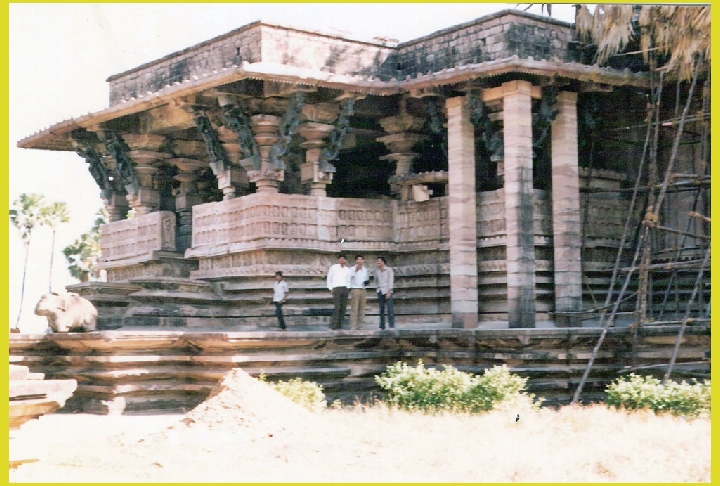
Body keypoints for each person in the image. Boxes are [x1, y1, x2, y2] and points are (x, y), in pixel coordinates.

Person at [327, 254, 351, 330]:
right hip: (336, 288)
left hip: (345, 288)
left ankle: (340, 325)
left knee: (343, 308)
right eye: (340, 258)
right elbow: (329, 278)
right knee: (337, 307)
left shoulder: (347, 269)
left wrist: (348, 288)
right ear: (338, 260)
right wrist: (330, 288)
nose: (342, 260)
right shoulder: (334, 268)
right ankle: (333, 326)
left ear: (345, 260)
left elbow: (349, 279)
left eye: (343, 259)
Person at [348, 255, 370, 330]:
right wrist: (356, 270)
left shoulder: (365, 269)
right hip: (355, 289)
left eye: (361, 259)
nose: (360, 261)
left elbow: (367, 278)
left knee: (362, 308)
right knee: (354, 308)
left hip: (363, 289)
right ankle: (353, 326)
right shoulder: (352, 269)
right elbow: (350, 276)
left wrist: (367, 282)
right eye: (358, 260)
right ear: (356, 261)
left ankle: (360, 325)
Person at [374, 256, 395, 329]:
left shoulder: (389, 270)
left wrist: (389, 291)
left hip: (387, 290)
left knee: (390, 309)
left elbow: (390, 280)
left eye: (379, 261)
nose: (378, 263)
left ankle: (391, 325)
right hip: (380, 290)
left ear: (383, 262)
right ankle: (382, 326)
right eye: (377, 261)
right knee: (381, 309)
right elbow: (376, 280)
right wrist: (377, 289)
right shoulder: (376, 271)